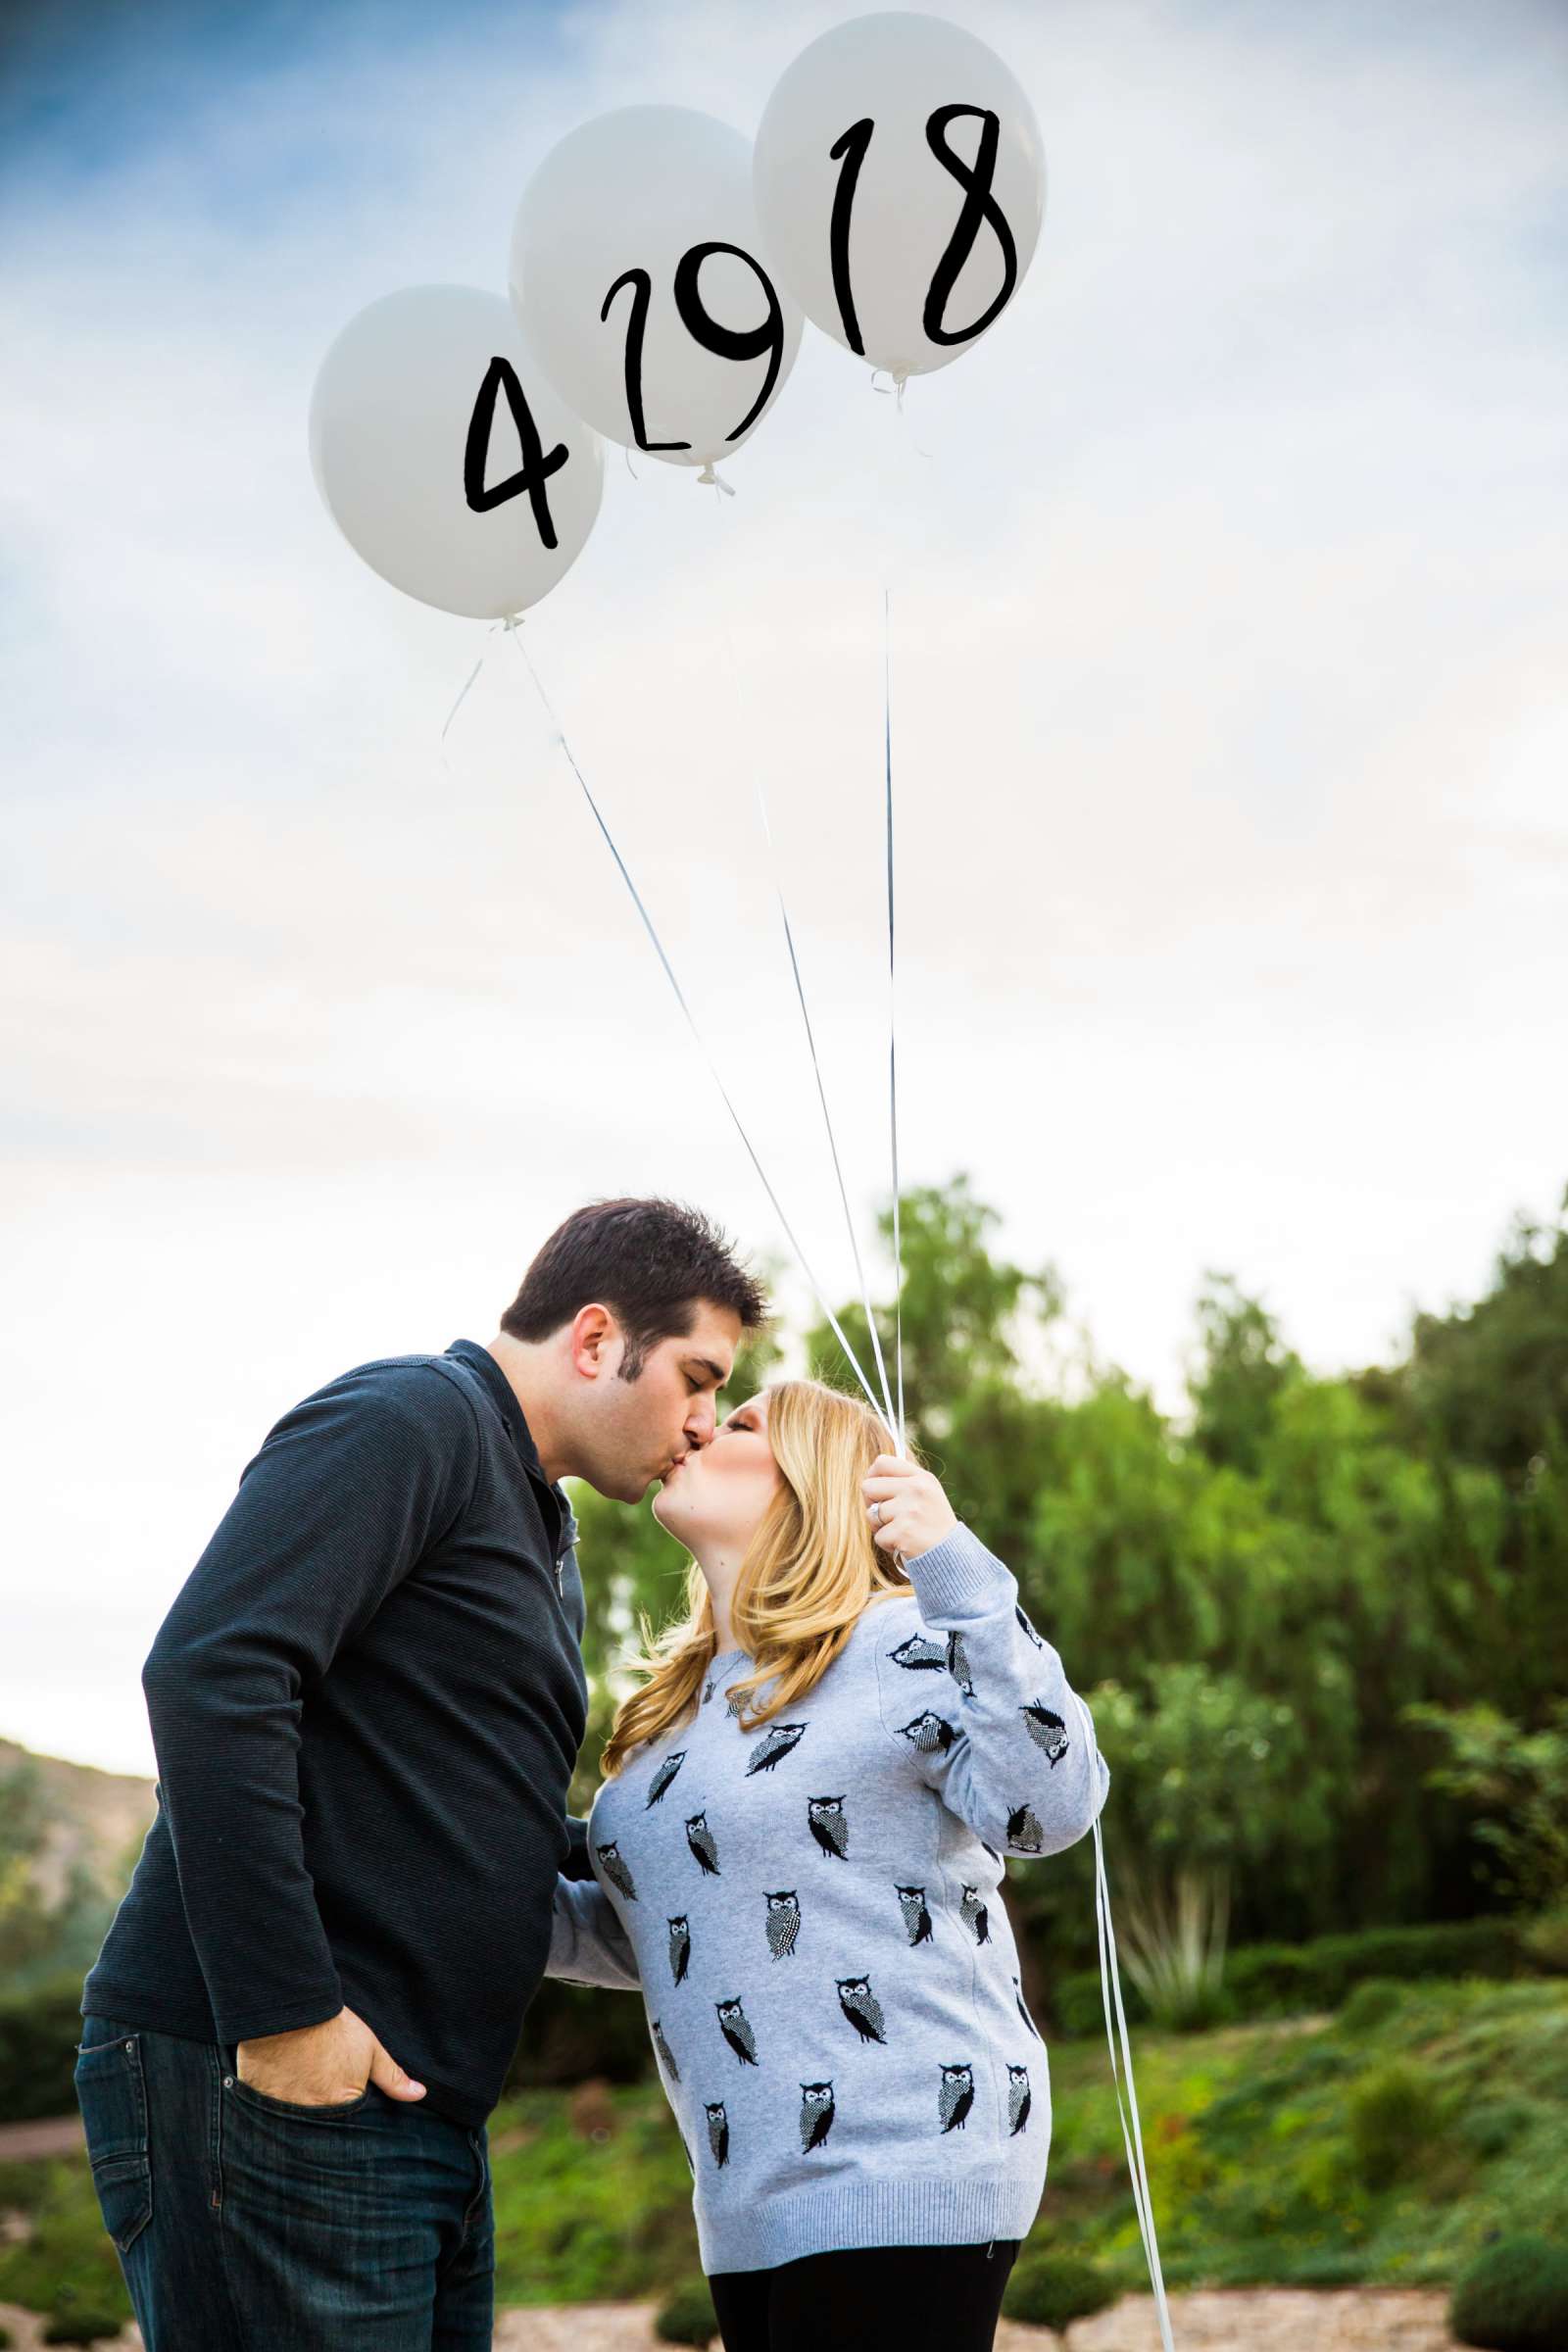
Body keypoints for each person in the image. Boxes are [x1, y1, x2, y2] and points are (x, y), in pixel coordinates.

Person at [74, 1197, 768, 2351]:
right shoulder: (410, 1420)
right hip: (275, 2077)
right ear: (596, 1340)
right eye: (695, 1378)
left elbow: (478, 1815)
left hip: (417, 2111)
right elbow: (212, 1673)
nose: (704, 1421)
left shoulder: (543, 1528)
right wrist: (286, 2014)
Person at [547, 1377, 1110, 2352]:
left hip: (909, 2156)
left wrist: (957, 1570)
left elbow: (1048, 1808)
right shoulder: (668, 1718)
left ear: (819, 1480)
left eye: (738, 1423)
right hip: (743, 2194)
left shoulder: (905, 1636)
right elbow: (652, 1934)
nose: (695, 1429)